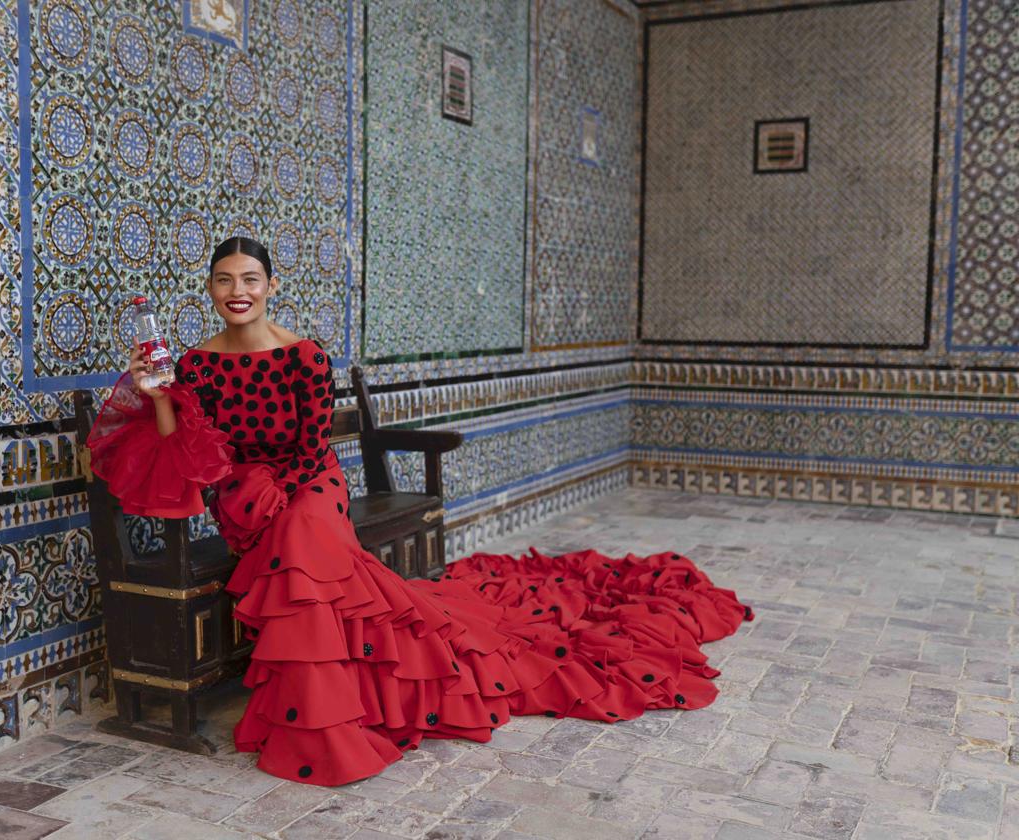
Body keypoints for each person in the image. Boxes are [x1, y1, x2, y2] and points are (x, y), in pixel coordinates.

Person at [87, 235, 753, 786]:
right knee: (295, 545)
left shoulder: (305, 356)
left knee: (302, 539)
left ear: (271, 284)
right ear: (209, 288)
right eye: (225, 279)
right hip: (246, 491)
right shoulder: (198, 364)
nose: (239, 290)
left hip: (309, 482)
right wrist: (159, 395)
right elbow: (191, 454)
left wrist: (285, 499)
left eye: (251, 278)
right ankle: (323, 705)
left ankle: (330, 716)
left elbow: (313, 447)